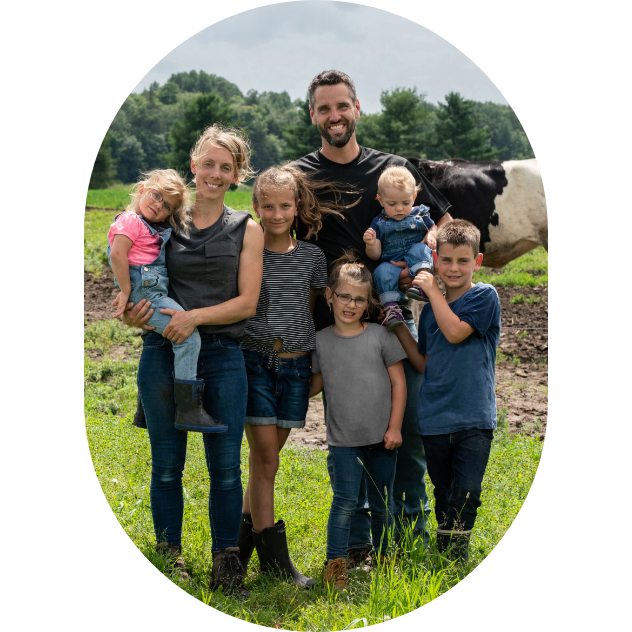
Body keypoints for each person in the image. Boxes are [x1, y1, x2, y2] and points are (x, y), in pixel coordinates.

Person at [292, 69, 454, 564]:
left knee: (406, 431)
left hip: (394, 319)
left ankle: (411, 532)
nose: (334, 116)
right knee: (350, 432)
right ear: (314, 115)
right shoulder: (300, 176)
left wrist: (419, 258)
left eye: (342, 106)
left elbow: (443, 222)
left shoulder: (392, 169)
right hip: (335, 328)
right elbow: (276, 237)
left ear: (357, 108)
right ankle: (361, 542)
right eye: (324, 108)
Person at [119, 124, 264, 598]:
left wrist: (195, 319)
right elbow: (132, 271)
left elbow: (246, 303)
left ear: (237, 174)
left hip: (223, 355)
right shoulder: (162, 220)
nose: (215, 174)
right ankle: (169, 558)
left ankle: (226, 563)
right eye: (209, 163)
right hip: (161, 353)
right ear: (194, 163)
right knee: (166, 466)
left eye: (226, 167)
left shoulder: (247, 228)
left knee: (225, 468)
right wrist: (135, 314)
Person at [236, 165, 353, 588]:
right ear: (255, 207)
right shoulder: (247, 252)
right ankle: (275, 566)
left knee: (266, 462)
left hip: (298, 367)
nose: (277, 213)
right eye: (267, 206)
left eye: (285, 205)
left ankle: (234, 555)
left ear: (298, 206)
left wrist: (313, 366)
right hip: (257, 363)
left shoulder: (311, 257)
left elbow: (308, 311)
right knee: (265, 459)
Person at [392, 219, 501, 563]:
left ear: (477, 262)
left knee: (467, 491)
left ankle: (457, 552)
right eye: (447, 260)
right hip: (435, 418)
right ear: (435, 260)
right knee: (443, 491)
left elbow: (455, 332)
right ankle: (445, 548)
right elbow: (425, 363)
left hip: (473, 416)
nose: (454, 268)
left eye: (463, 261)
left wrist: (433, 292)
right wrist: (397, 327)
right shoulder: (427, 316)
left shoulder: (484, 296)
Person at [308, 253, 407, 590]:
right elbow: (315, 385)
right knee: (345, 503)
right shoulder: (320, 341)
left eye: (359, 299)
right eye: (345, 296)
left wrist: (394, 428)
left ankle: (384, 559)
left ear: (368, 303)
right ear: (330, 296)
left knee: (383, 504)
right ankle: (335, 566)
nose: (351, 304)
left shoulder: (381, 336)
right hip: (343, 442)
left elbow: (399, 383)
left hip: (382, 439)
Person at [107, 169, 226, 433]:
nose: (158, 204)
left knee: (177, 338)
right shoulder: (130, 220)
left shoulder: (151, 227)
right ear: (141, 190)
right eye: (156, 195)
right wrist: (125, 291)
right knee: (187, 336)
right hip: (146, 294)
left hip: (152, 292)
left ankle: (145, 407)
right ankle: (188, 408)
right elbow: (117, 254)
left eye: (166, 206)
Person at [363, 165, 437, 330]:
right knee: (382, 271)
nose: (399, 208)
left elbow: (434, 228)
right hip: (392, 264)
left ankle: (422, 282)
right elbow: (375, 255)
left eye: (405, 202)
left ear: (414, 197)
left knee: (420, 249)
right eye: (392, 203)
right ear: (380, 200)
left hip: (415, 260)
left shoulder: (421, 215)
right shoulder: (379, 222)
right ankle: (391, 307)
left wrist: (432, 234)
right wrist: (371, 243)